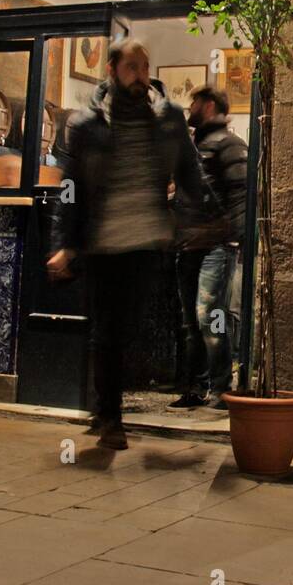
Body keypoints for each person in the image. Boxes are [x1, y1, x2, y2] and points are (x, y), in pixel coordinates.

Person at [46, 39, 217, 450]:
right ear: (112, 70)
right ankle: (110, 418)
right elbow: (72, 188)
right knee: (107, 332)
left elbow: (190, 174)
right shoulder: (88, 124)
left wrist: (210, 219)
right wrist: (64, 244)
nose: (140, 75)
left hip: (145, 243)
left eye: (144, 66)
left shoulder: (168, 119)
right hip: (101, 245)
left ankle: (105, 408)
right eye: (132, 68)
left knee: (124, 331)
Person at [170, 86, 249, 410]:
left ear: (210, 105)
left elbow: (240, 195)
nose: (190, 107)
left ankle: (221, 388)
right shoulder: (193, 145)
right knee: (191, 323)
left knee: (209, 317)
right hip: (188, 245)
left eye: (195, 102)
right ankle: (195, 387)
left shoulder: (229, 144)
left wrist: (237, 237)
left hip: (216, 246)